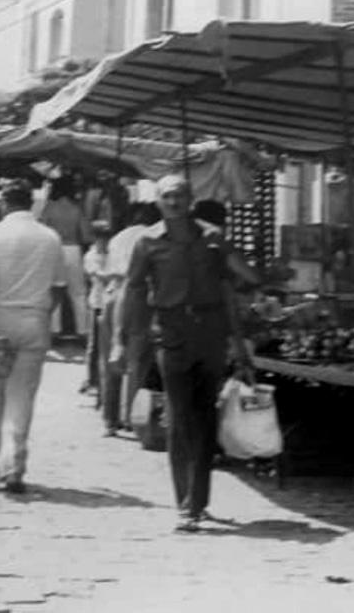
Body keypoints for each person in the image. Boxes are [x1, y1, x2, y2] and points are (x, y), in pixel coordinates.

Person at [124, 175, 253, 533]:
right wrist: (126, 341)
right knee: (179, 419)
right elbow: (134, 290)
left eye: (180, 195)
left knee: (206, 417)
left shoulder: (212, 236)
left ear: (191, 199)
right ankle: (185, 504)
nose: (174, 202)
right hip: (171, 334)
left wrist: (225, 252)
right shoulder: (147, 241)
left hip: (210, 334)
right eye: (167, 196)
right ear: (159, 203)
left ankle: (199, 500)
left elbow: (245, 278)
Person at [0, 183, 67, 494]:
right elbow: (59, 287)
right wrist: (43, 312)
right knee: (22, 398)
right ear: (30, 204)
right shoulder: (50, 237)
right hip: (35, 321)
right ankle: (14, 466)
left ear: (5, 202)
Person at [105, 202, 162, 428]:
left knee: (111, 357)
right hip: (138, 297)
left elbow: (111, 271)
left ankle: (110, 418)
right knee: (138, 360)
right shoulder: (153, 237)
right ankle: (131, 417)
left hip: (111, 296)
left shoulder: (117, 238)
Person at [39, 176, 94, 342]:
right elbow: (86, 236)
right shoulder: (77, 209)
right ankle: (83, 331)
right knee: (78, 293)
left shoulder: (49, 208)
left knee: (54, 291)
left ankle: (54, 331)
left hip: (54, 250)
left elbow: (41, 232)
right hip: (73, 249)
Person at [82, 221, 117, 434]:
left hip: (111, 304)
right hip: (98, 303)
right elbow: (99, 277)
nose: (104, 241)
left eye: (106, 236)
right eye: (101, 237)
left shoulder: (113, 252)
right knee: (95, 347)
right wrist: (116, 275)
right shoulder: (91, 256)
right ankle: (93, 383)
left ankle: (102, 392)